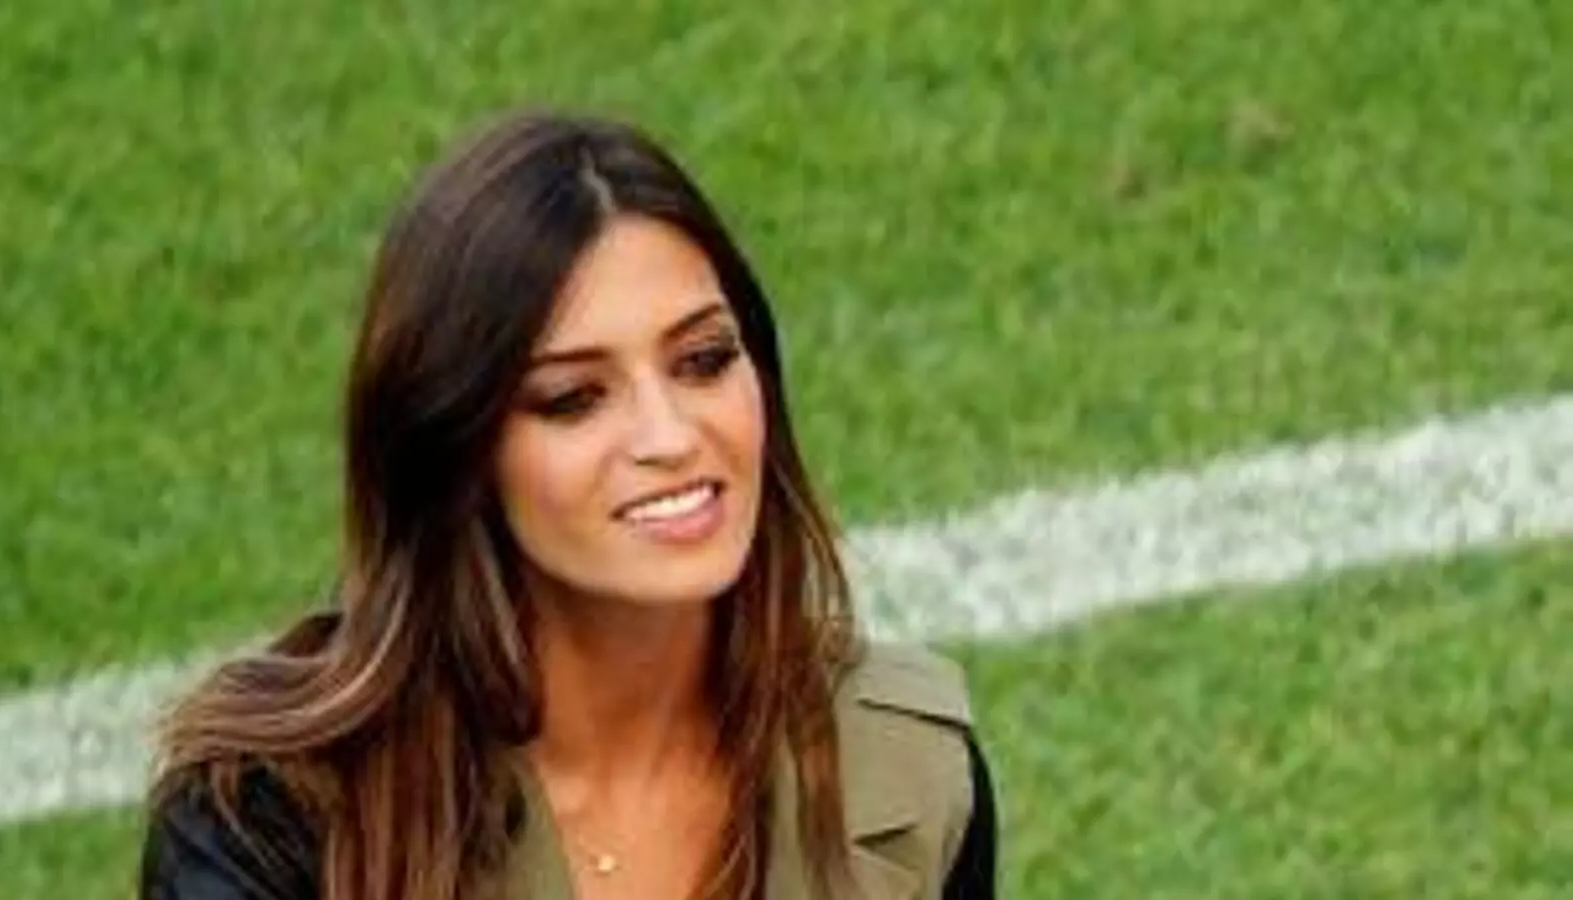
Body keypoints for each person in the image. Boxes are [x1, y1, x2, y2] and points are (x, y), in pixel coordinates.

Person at [136, 110, 997, 900]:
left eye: (703, 361)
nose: (669, 436)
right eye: (573, 399)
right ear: (458, 446)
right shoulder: (269, 819)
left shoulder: (902, 769)